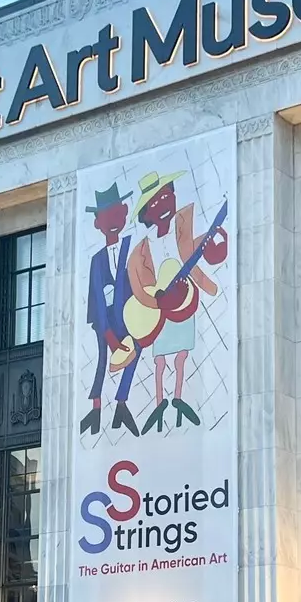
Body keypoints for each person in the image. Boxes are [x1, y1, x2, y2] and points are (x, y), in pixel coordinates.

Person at [126, 169, 222, 431]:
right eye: (155, 203)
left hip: (184, 301)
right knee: (160, 359)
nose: (163, 205)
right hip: (161, 308)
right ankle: (159, 403)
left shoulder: (182, 224)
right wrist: (155, 300)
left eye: (166, 196)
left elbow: (195, 247)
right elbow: (138, 284)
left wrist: (215, 244)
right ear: (147, 213)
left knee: (181, 355)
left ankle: (178, 399)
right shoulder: (143, 247)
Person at [82, 183, 139, 435]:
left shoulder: (131, 246)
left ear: (125, 212)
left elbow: (140, 279)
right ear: (97, 224)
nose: (113, 222)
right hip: (104, 319)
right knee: (103, 359)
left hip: (129, 314)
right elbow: (96, 295)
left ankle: (122, 403)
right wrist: (108, 335)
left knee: (135, 349)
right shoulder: (96, 260)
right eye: (107, 218)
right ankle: (96, 408)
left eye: (117, 214)